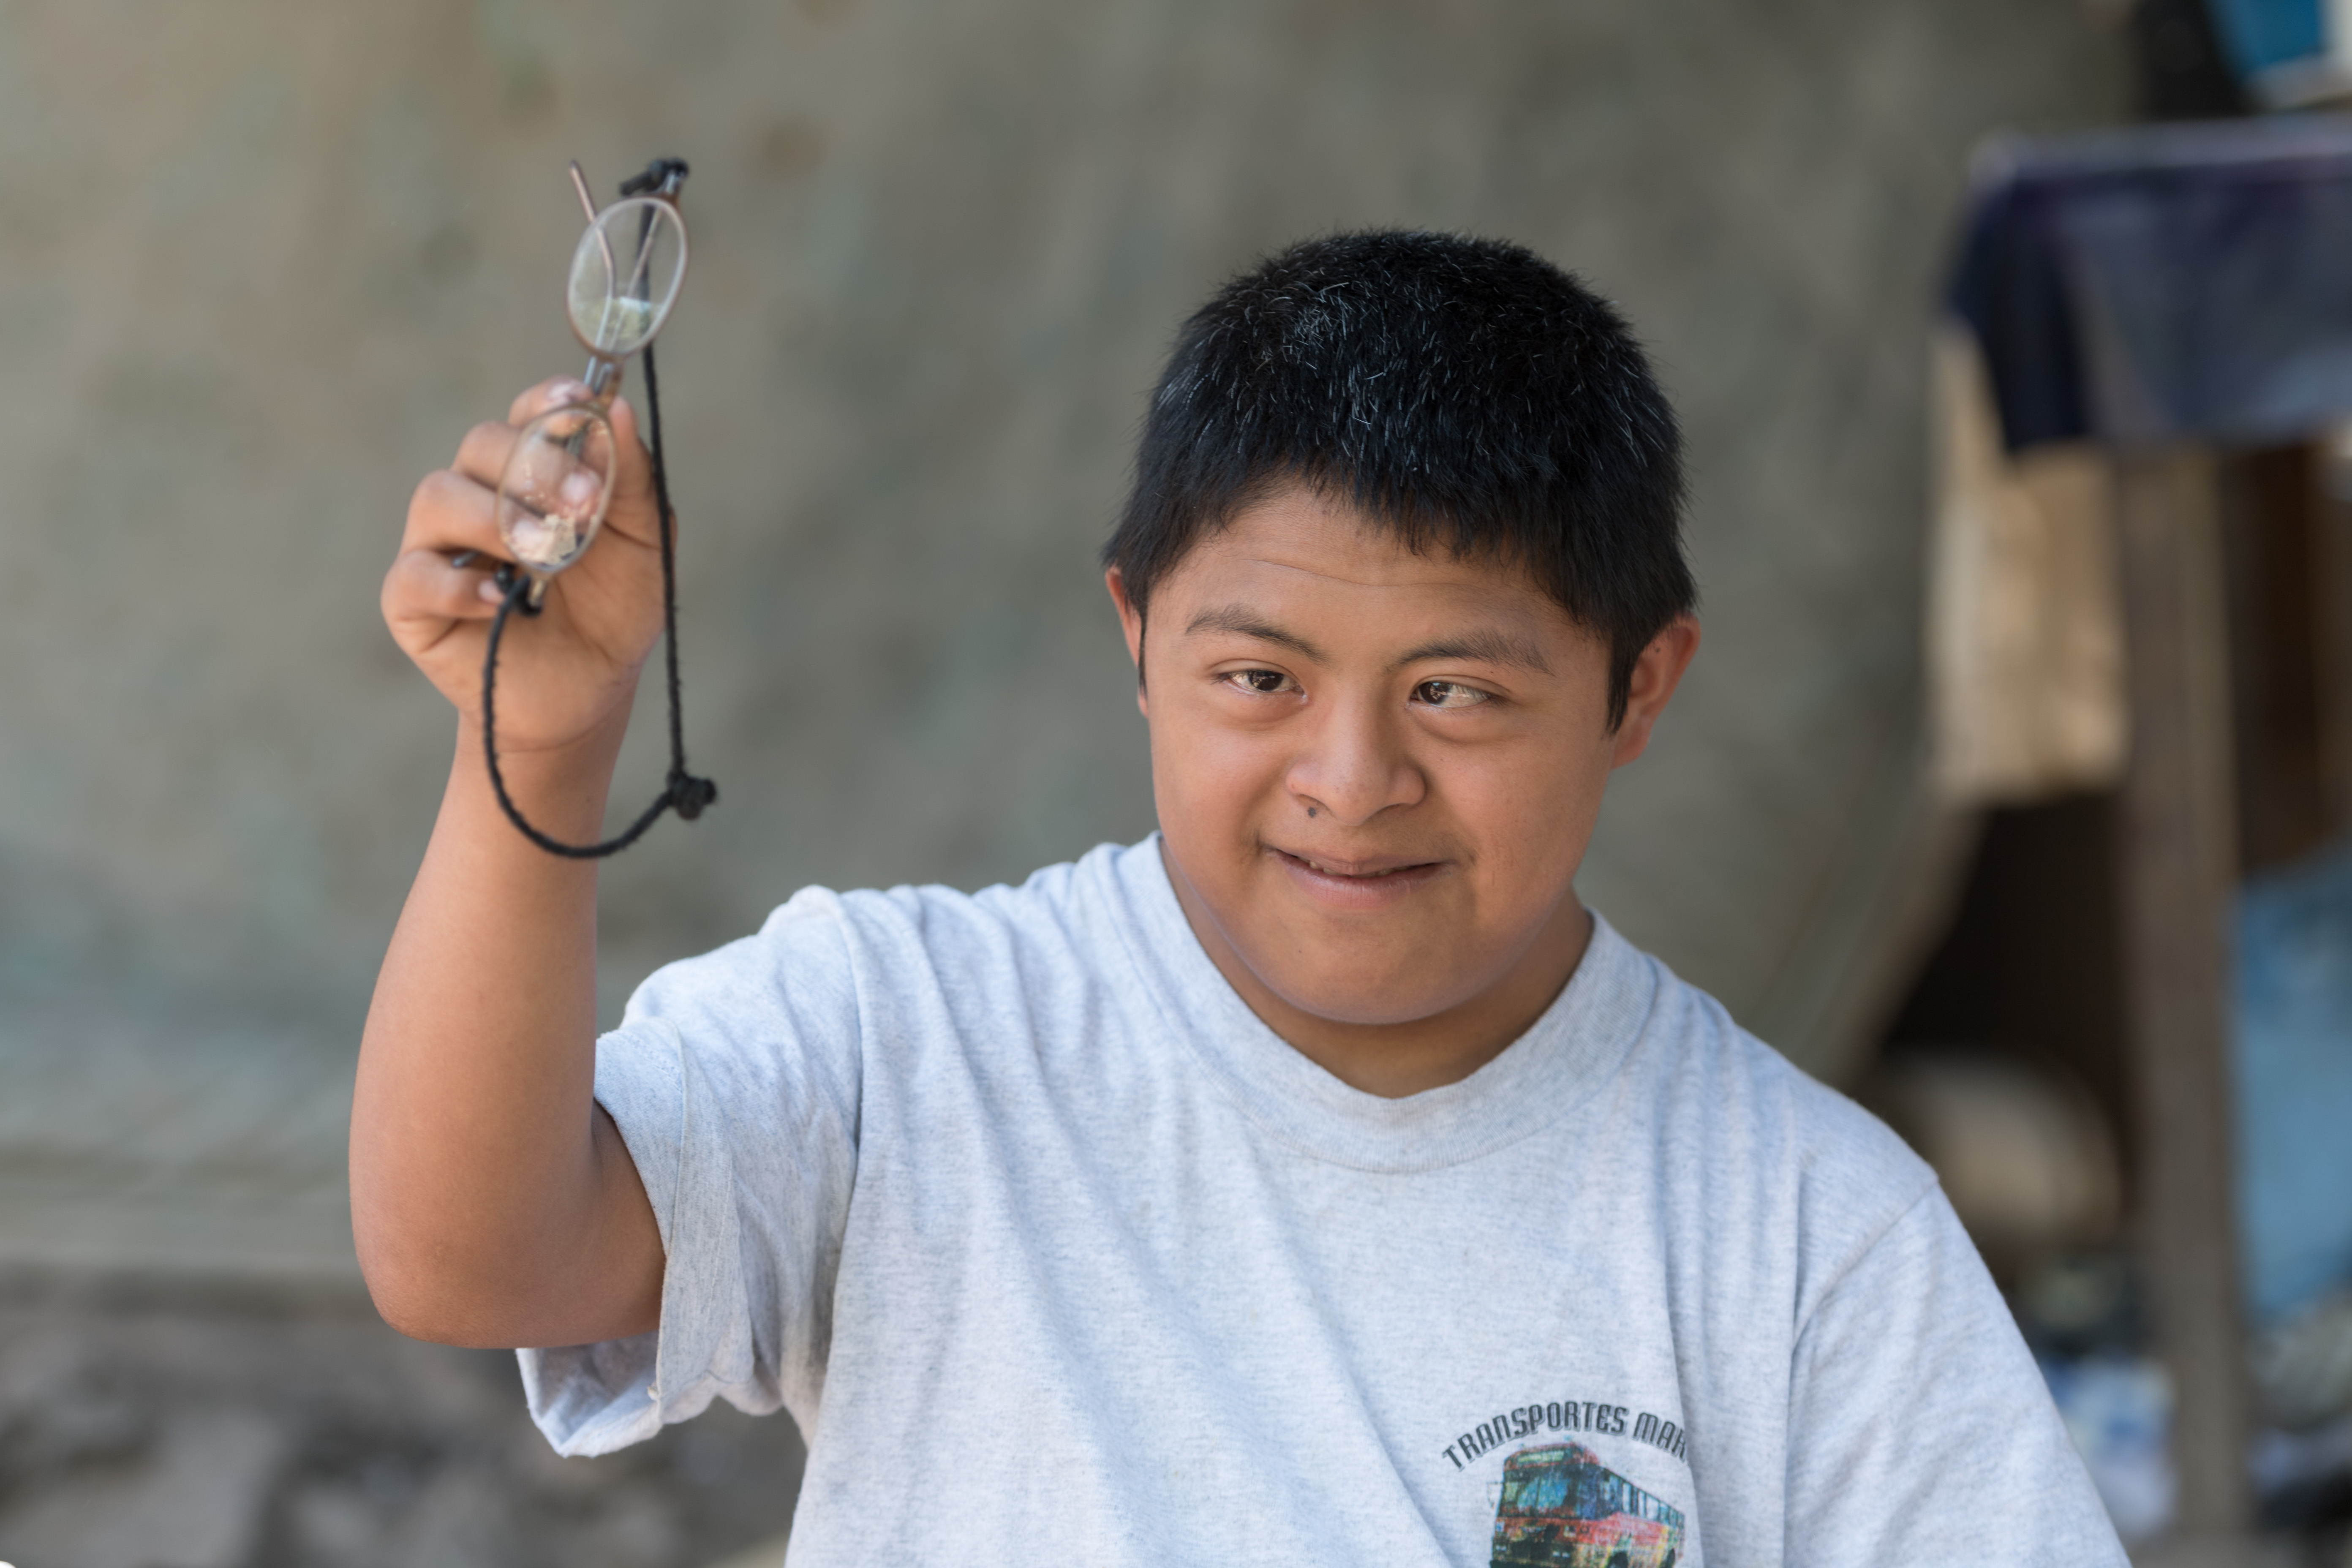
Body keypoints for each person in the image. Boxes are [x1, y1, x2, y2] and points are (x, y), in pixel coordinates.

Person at [357, 231, 2126, 1564]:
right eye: (1260, 679)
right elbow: (468, 1256)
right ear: (1137, 639)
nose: (1350, 779)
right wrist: (542, 747)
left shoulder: (1809, 1232)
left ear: (1639, 689)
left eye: (1458, 692)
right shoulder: (912, 1036)